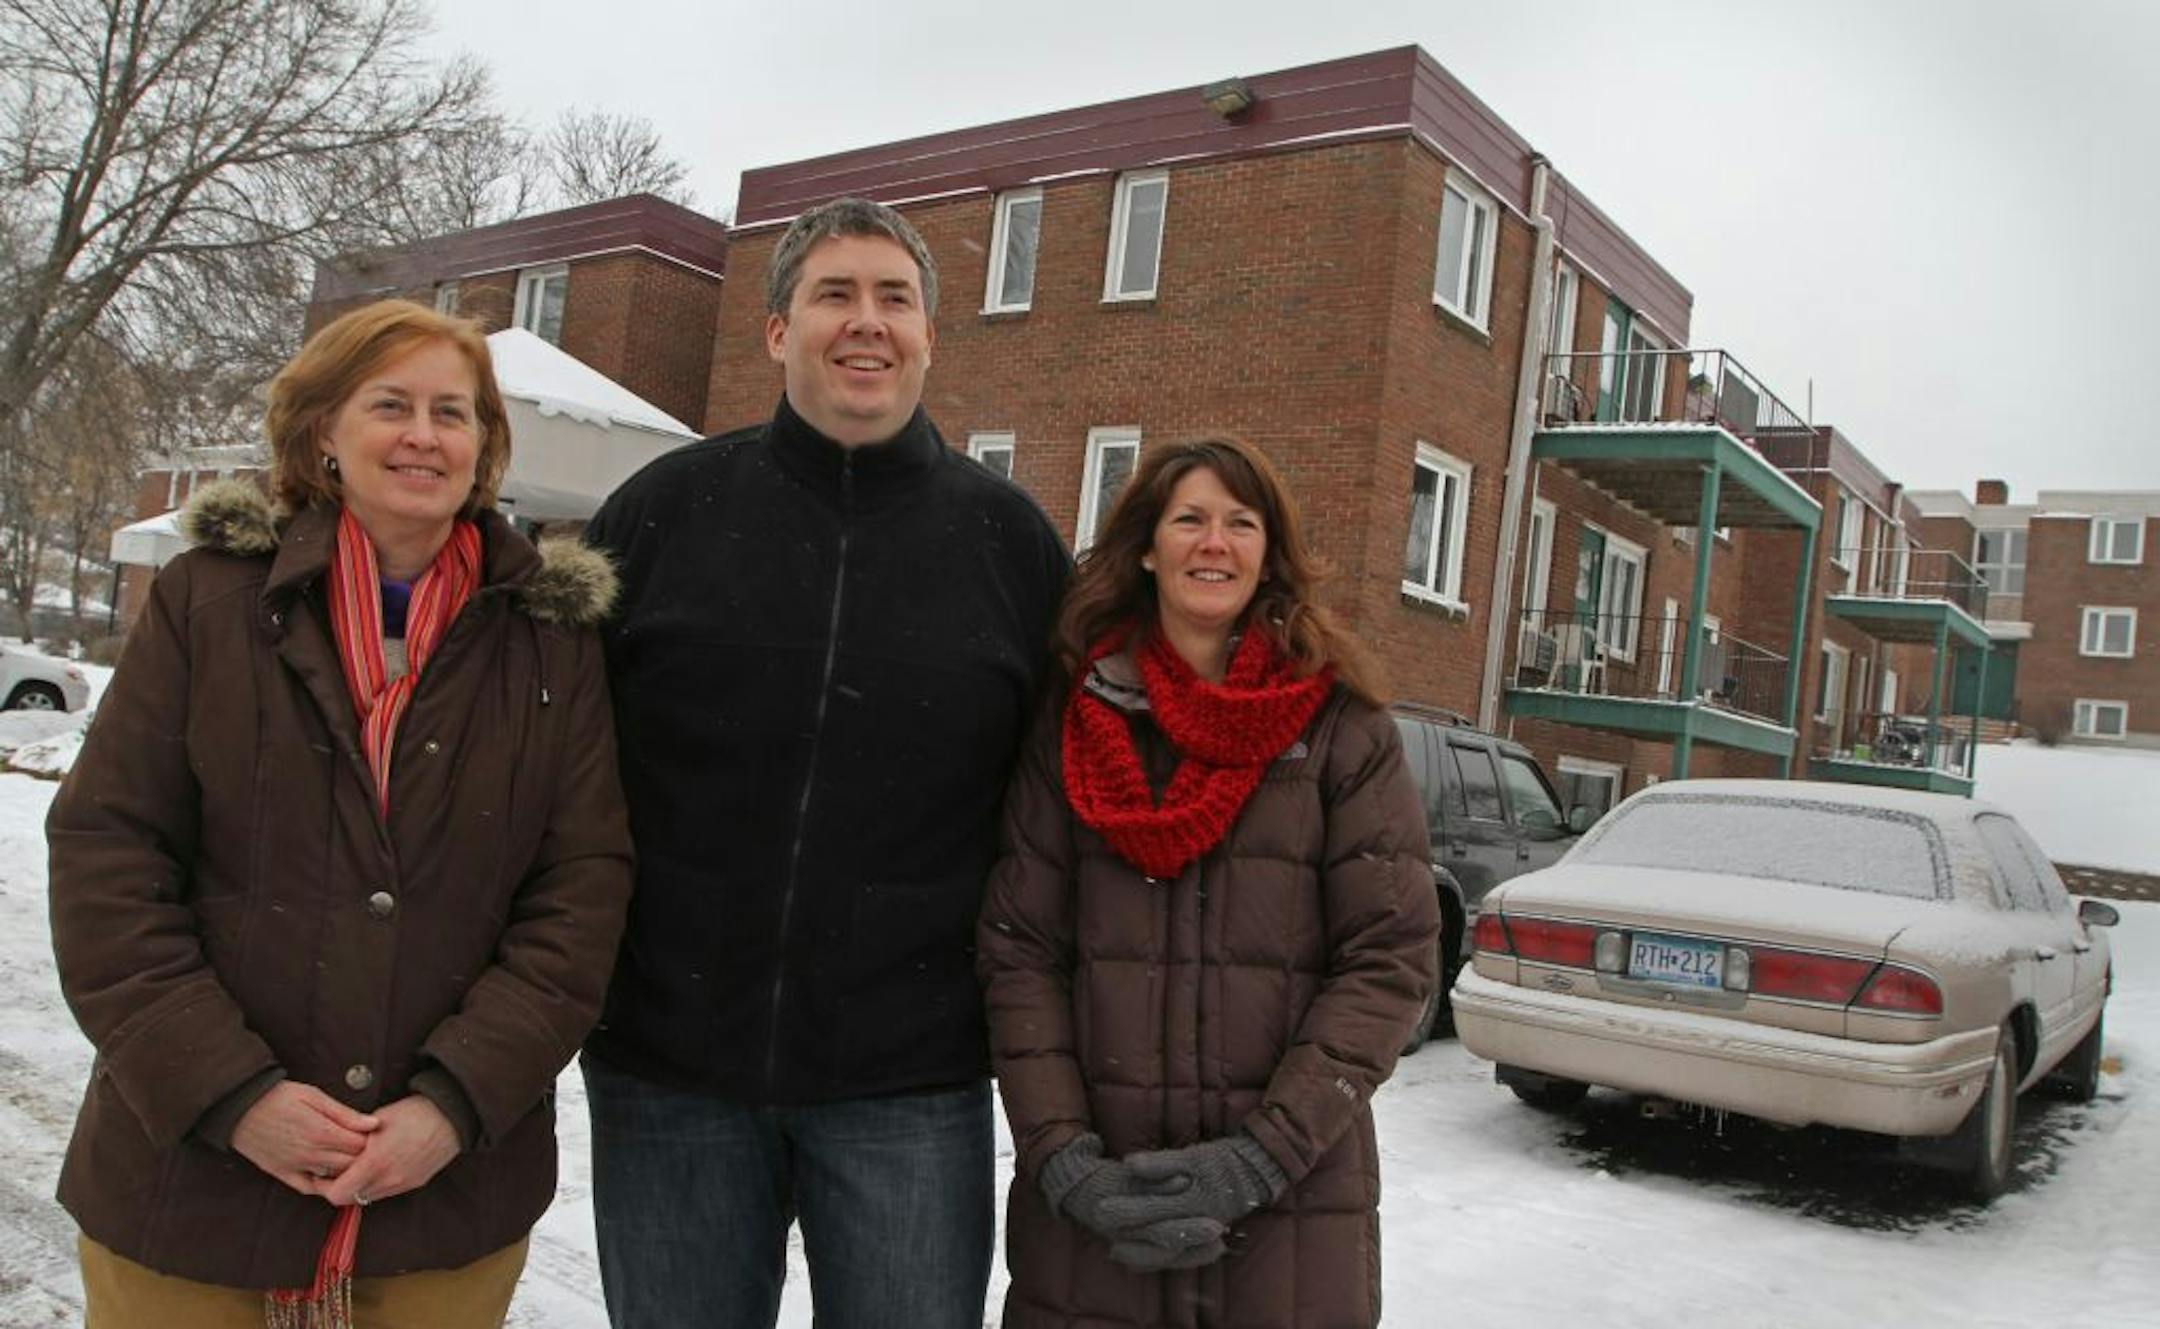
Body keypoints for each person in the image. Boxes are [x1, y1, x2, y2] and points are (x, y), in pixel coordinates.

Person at [47, 300, 634, 1327]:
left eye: (453, 412)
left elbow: (580, 895)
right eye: (390, 405)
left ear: (485, 445)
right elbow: (109, 859)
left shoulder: (552, 645)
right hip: (191, 1183)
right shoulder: (209, 605)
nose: (424, 434)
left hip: (441, 1200)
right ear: (324, 429)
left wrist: (453, 1105)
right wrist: (235, 1096)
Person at [581, 197, 1069, 1328]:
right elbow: (547, 764)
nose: (867, 322)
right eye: (834, 295)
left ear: (931, 337)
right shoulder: (664, 513)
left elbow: (1063, 810)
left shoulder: (1010, 546)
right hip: (671, 1067)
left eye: (894, 298)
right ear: (775, 331)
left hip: (909, 1083)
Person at [978, 437, 1439, 1328]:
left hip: (1290, 1216)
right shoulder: (1071, 720)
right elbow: (1019, 950)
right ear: (1147, 546)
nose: (1213, 543)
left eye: (1240, 522)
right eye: (1188, 519)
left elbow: (1388, 958)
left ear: (1270, 553)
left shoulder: (1344, 728)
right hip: (1093, 1211)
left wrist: (1260, 1158)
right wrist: (1064, 1158)